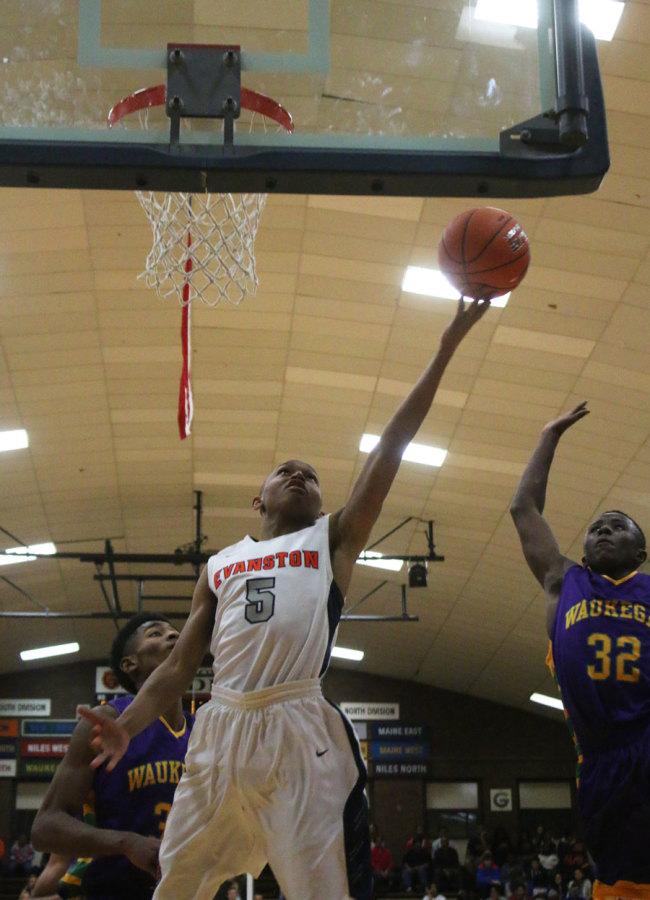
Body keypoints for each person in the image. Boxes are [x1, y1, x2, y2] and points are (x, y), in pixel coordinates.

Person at [80, 297, 491, 900]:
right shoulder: (221, 563)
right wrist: (128, 725)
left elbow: (391, 448)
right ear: (259, 499)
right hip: (220, 728)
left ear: (324, 504)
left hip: (300, 728)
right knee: (177, 887)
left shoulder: (336, 538)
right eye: (284, 471)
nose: (298, 476)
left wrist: (446, 346)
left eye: (311, 475)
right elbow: (176, 668)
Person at [510, 400, 650, 897]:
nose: (605, 529)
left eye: (619, 524)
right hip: (601, 758)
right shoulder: (562, 581)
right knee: (619, 879)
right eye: (596, 527)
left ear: (641, 551)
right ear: (584, 549)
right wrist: (549, 434)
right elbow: (523, 509)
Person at [31, 614, 193, 900]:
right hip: (116, 888)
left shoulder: (203, 728)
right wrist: (126, 843)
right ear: (130, 663)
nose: (173, 636)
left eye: (176, 632)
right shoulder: (107, 722)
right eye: (156, 633)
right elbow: (46, 827)